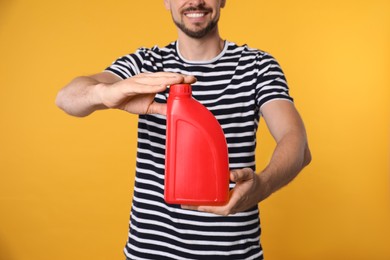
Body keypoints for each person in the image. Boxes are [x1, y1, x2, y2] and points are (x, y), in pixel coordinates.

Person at [56, 0, 311, 259]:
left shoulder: (257, 66)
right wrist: (106, 92)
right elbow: (66, 98)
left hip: (232, 253)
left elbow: (297, 142)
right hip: (149, 252)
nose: (195, 1)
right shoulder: (146, 64)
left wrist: (263, 186)